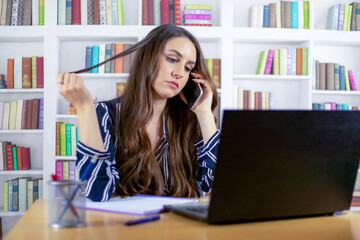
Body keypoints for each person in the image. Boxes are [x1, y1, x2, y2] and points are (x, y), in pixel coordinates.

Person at [57, 24, 220, 202]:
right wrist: (84, 107)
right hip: (124, 227)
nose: (180, 73)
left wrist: (205, 114)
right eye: (172, 59)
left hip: (178, 227)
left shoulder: (189, 121)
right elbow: (97, 192)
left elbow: (217, 186)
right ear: (147, 58)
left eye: (188, 68)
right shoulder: (105, 114)